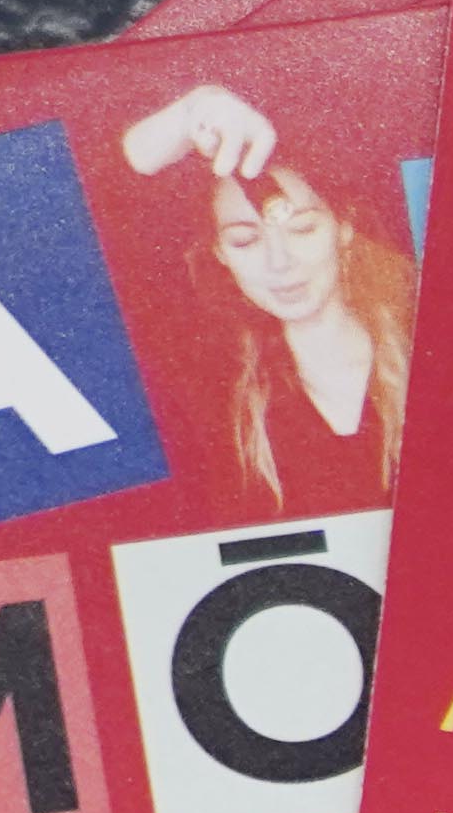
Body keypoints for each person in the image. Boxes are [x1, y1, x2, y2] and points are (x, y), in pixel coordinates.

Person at [119, 81, 412, 507]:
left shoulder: (431, 340)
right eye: (245, 241)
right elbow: (99, 194)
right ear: (220, 253)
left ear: (344, 228)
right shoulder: (216, 389)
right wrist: (193, 110)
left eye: (303, 229)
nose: (279, 262)